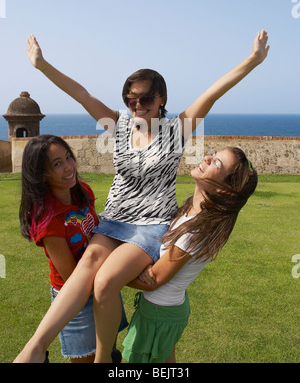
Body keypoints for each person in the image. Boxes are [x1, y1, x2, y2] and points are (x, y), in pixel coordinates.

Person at [14, 30, 269, 363]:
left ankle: (103, 360)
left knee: (104, 282)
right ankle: (34, 349)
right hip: (114, 219)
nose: (136, 105)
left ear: (161, 98)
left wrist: (252, 60)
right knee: (88, 266)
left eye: (145, 99)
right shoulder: (119, 124)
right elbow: (81, 93)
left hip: (150, 226)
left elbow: (213, 92)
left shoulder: (176, 130)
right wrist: (42, 65)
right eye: (130, 98)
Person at [123, 147, 258, 363]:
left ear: (225, 190)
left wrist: (113, 277)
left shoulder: (195, 230)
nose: (206, 157)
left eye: (216, 163)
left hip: (159, 312)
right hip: (166, 308)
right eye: (213, 153)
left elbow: (154, 280)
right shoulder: (192, 209)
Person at [19, 135, 127, 363]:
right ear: (41, 174)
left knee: (108, 353)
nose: (69, 167)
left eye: (68, 157)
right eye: (57, 164)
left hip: (101, 285)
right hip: (74, 297)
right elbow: (71, 276)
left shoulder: (82, 191)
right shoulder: (49, 220)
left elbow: (97, 233)